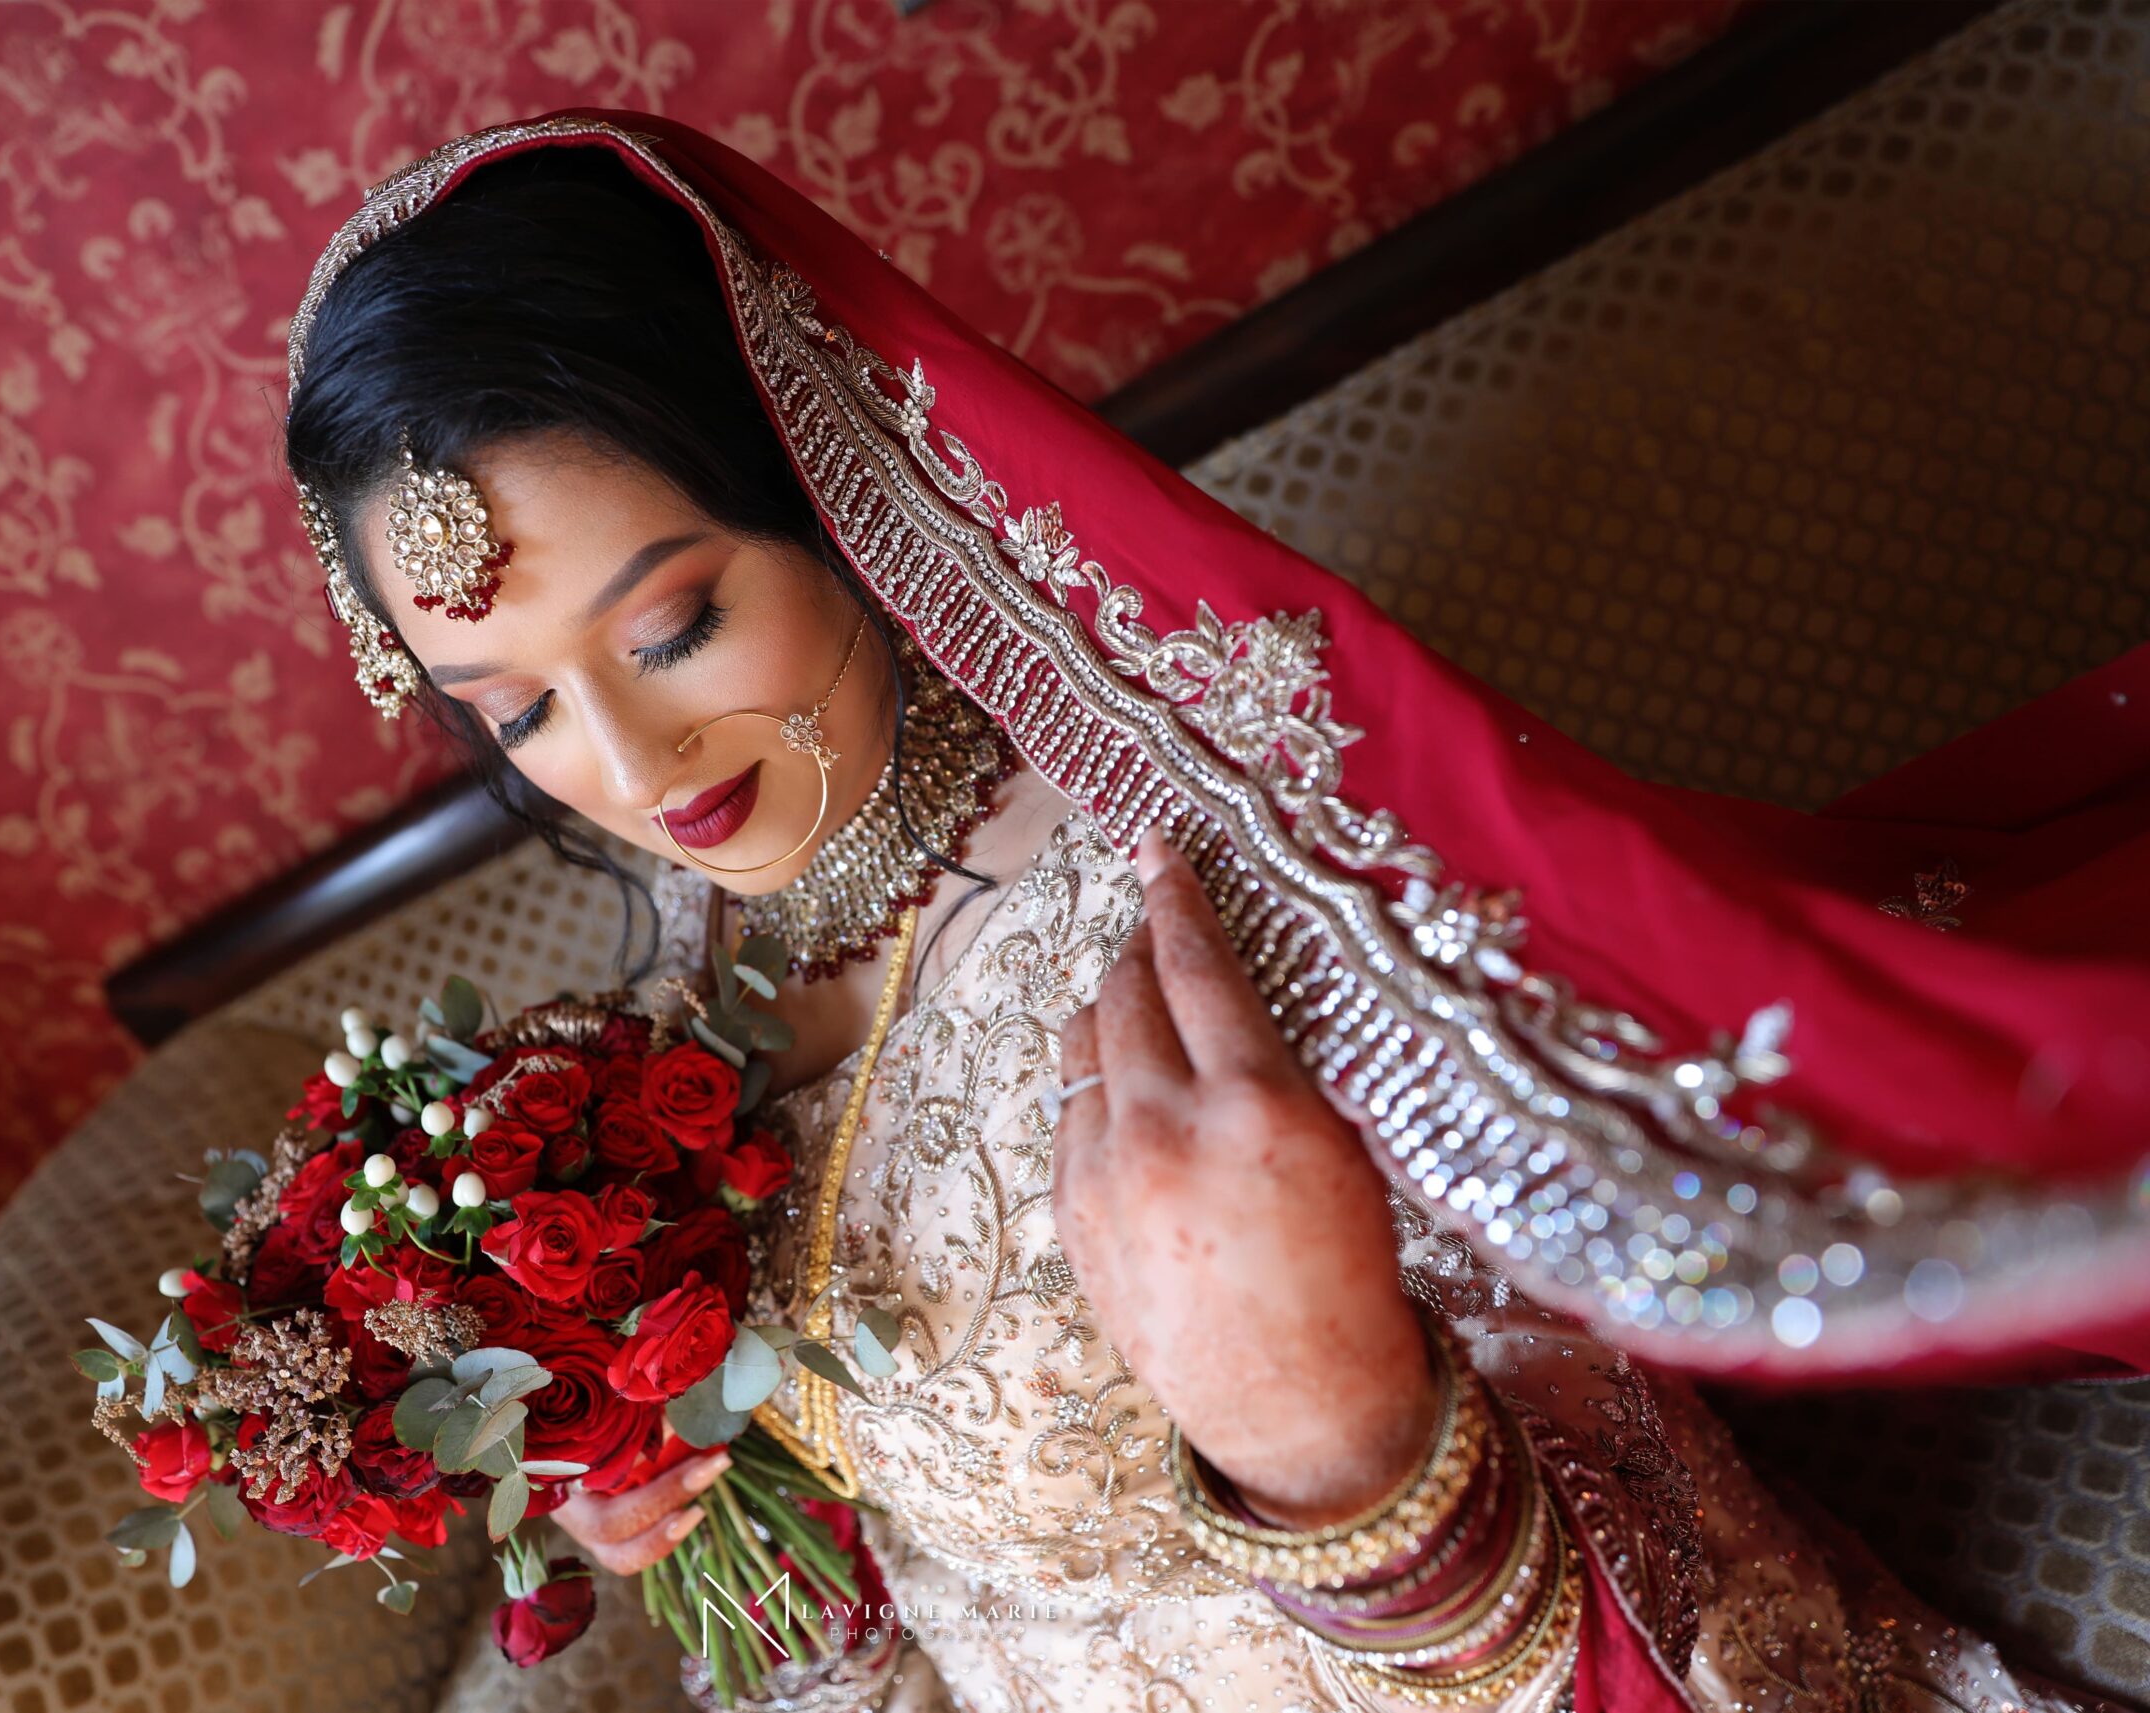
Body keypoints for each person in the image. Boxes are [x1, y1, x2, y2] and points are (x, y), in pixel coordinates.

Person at [278, 112, 2150, 1711]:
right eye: (514, 710)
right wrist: (695, 1497)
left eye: (677, 622)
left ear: (831, 480)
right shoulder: (695, 982)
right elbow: (906, 1603)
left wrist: (1337, 1449)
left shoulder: (1199, 876)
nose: (627, 763)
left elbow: (1686, 1579)